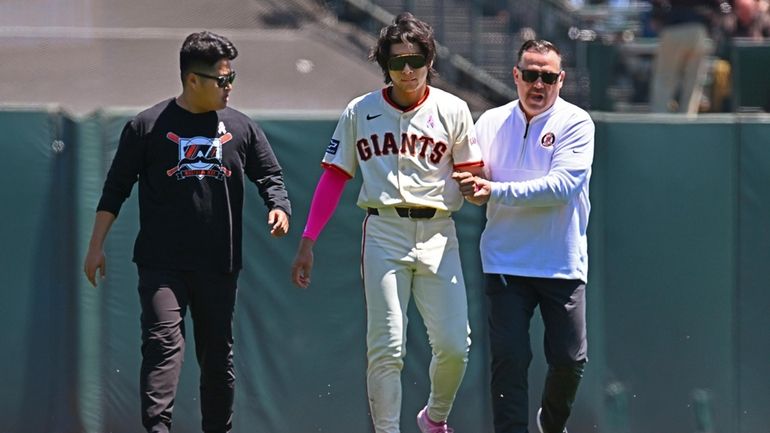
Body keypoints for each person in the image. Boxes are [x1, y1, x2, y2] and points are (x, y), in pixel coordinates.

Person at [82, 31, 291, 433]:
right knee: (163, 348)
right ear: (193, 79)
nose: (229, 87)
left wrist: (278, 207)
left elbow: (271, 176)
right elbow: (115, 189)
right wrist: (96, 247)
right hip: (162, 265)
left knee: (218, 358)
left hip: (219, 265)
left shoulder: (241, 127)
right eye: (222, 80)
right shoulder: (145, 127)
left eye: (232, 78)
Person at [290, 12, 484, 433]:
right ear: (384, 65)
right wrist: (308, 240)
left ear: (429, 60)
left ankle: (434, 418)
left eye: (416, 59)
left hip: (438, 233)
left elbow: (473, 174)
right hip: (384, 230)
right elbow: (334, 176)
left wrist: (476, 185)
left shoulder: (453, 109)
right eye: (397, 62)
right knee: (387, 346)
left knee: (455, 347)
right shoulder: (361, 110)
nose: (408, 70)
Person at [453, 40, 594, 433]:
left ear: (560, 80)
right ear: (515, 75)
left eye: (548, 77)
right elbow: (469, 177)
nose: (538, 84)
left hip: (561, 262)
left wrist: (493, 190)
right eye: (530, 74)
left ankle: (550, 424)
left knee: (570, 360)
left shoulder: (577, 123)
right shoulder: (489, 123)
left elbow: (561, 187)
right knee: (509, 360)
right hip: (506, 262)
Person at [648, 0, 724, 113]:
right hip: (697, 29)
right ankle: (687, 121)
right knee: (692, 83)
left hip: (673, 28)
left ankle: (659, 120)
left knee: (665, 79)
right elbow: (721, 6)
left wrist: (657, 16)